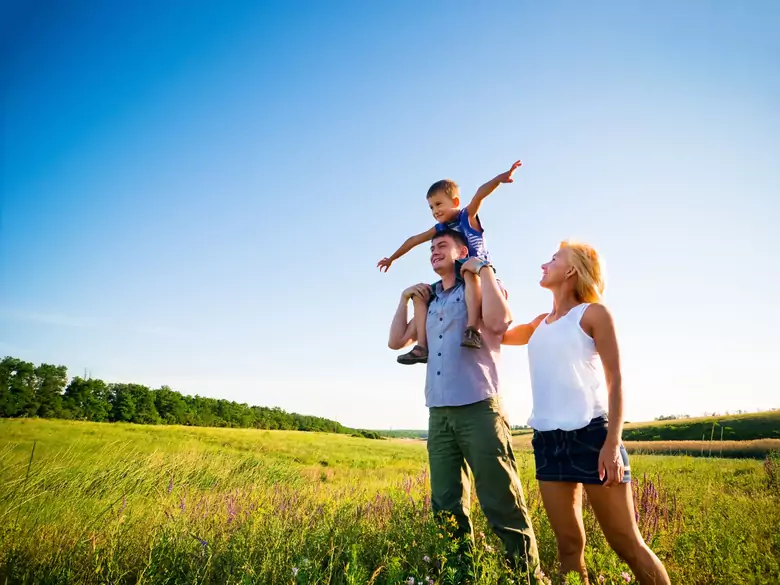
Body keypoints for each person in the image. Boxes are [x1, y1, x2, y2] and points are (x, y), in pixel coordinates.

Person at [502, 241, 671, 585]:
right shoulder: (538, 324)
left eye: (552, 259)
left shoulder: (593, 314)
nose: (543, 265)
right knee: (568, 546)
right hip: (548, 442)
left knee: (626, 543)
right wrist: (487, 285)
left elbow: (616, 380)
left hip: (593, 438)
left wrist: (612, 445)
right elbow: (496, 334)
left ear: (571, 271)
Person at [387, 229, 541, 581]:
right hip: (438, 413)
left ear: (461, 251)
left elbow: (501, 323)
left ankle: (527, 576)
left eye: (441, 245)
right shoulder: (432, 298)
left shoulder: (479, 284)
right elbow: (396, 341)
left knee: (501, 498)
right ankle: (460, 574)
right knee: (445, 504)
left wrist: (483, 268)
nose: (433, 252)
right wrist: (404, 299)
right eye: (430, 249)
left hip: (479, 407)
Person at [378, 160, 521, 364]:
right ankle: (422, 347)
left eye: (438, 204)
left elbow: (479, 194)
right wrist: (392, 258)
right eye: (431, 207)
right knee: (421, 295)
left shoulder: (466, 217)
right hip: (454, 276)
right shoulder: (440, 228)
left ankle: (472, 329)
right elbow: (414, 240)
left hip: (476, 270)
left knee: (468, 273)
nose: (435, 211)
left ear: (454, 202)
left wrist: (499, 179)